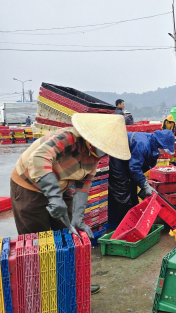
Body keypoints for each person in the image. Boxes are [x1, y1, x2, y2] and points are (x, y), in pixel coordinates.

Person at [10, 113, 130, 295]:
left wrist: (78, 217)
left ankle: (72, 283)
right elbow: (39, 159)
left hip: (61, 185)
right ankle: (42, 290)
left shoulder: (94, 157)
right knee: (37, 240)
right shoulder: (67, 138)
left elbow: (84, 185)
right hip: (29, 187)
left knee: (67, 237)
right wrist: (54, 197)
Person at [108, 130, 175, 226]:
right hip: (117, 157)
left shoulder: (153, 145)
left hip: (128, 159)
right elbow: (134, 168)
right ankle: (119, 224)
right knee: (121, 190)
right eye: (166, 149)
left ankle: (132, 219)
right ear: (161, 144)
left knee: (131, 187)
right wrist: (144, 185)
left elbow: (139, 167)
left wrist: (141, 182)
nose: (165, 152)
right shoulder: (142, 144)